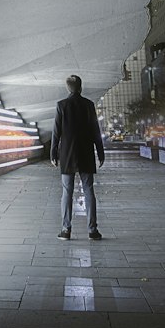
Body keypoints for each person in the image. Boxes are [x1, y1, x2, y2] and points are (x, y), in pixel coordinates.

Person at [50, 74, 105, 240]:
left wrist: (53, 152)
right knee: (89, 190)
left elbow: (56, 131)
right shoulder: (88, 105)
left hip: (67, 154)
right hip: (86, 153)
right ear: (81, 87)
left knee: (67, 191)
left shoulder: (61, 105)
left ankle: (66, 230)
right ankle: (92, 230)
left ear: (68, 88)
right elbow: (96, 131)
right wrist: (100, 152)